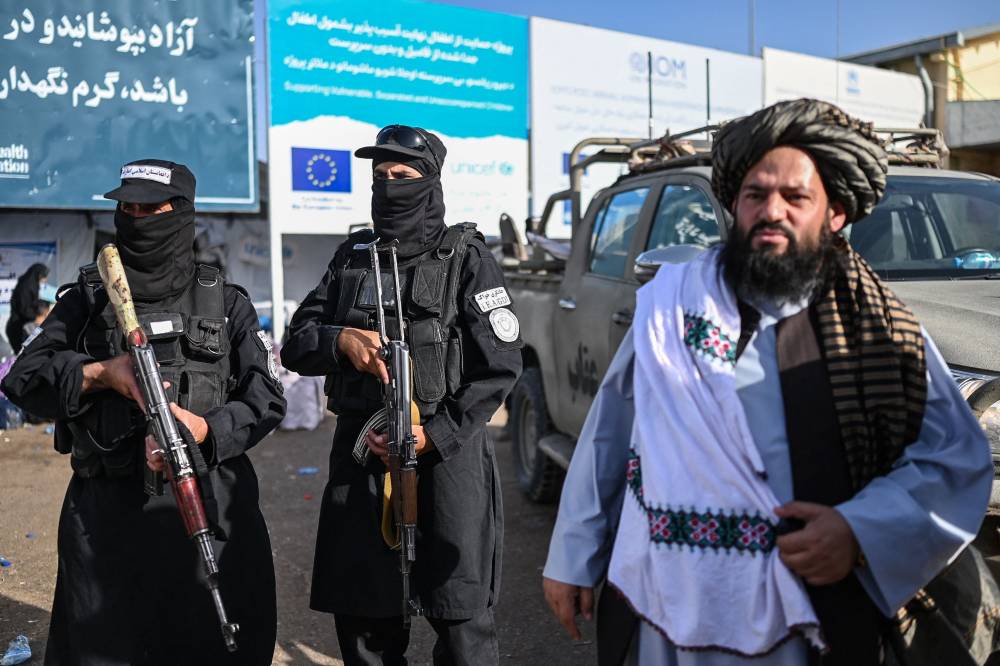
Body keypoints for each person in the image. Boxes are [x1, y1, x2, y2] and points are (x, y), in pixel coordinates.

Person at [542, 99, 992, 665]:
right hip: (662, 604)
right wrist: (572, 557)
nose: (771, 210)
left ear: (835, 214)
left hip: (806, 619)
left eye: (796, 197)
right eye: (756, 194)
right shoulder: (669, 307)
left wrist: (859, 531)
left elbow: (953, 459)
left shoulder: (880, 331)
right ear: (734, 205)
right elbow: (608, 438)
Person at [1, 159, 286, 665]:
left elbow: (266, 398)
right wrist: (101, 374)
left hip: (205, 506)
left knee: (211, 645)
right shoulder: (86, 300)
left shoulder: (225, 303)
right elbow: (21, 380)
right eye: (125, 207)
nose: (134, 218)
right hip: (106, 517)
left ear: (180, 214)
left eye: (148, 208)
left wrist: (205, 429)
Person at [281, 125, 523, 665]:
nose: (389, 187)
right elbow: (296, 344)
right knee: (366, 619)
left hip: (446, 458)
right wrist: (340, 339)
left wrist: (434, 435)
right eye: (379, 177)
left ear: (430, 182)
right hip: (363, 455)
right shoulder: (352, 258)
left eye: (403, 176)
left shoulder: (466, 258)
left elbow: (501, 365)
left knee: (460, 617)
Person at [5, 262, 49, 353]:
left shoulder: (32, 285)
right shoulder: (25, 287)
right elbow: (24, 309)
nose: (45, 278)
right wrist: (37, 317)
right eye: (43, 275)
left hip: (23, 325)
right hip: (17, 328)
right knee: (22, 356)